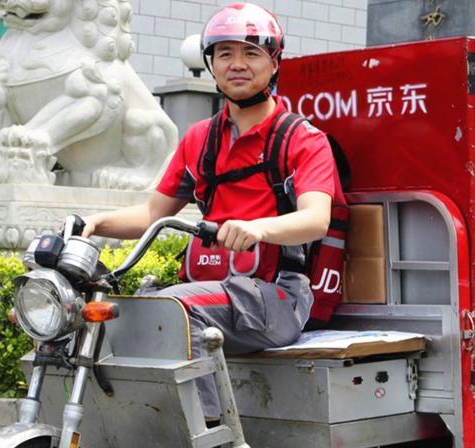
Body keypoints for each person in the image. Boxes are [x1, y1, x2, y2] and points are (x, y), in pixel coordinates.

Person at [81, 2, 346, 421]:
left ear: (274, 63)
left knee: (174, 310)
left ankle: (210, 430)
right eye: (225, 53)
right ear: (211, 64)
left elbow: (315, 219)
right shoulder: (200, 139)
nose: (236, 64)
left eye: (251, 53)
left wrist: (258, 229)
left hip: (275, 298)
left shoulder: (302, 139)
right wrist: (93, 223)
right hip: (212, 288)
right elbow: (151, 213)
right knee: (110, 313)